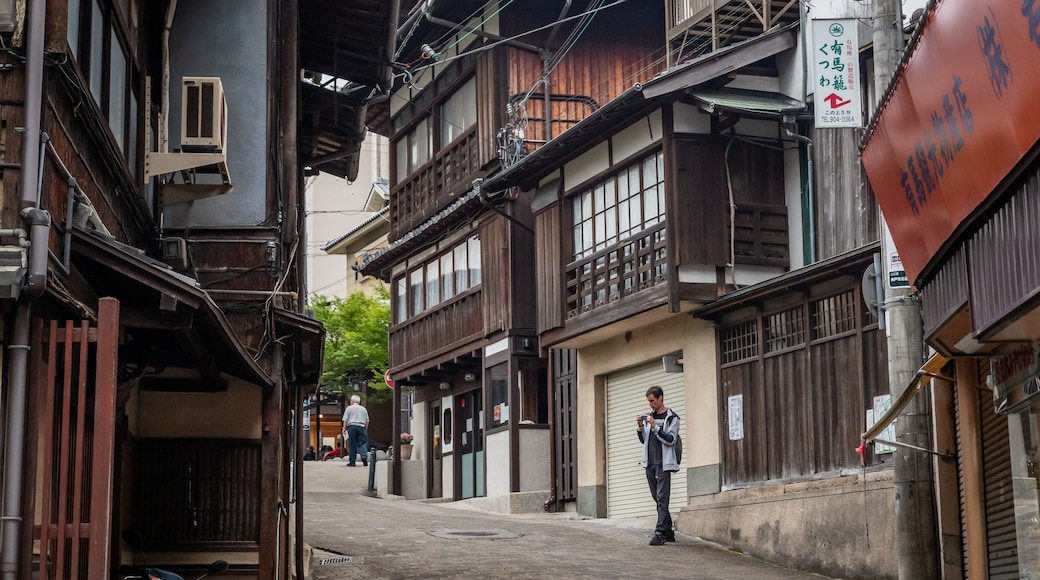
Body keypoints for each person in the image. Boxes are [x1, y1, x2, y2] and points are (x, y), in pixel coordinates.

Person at [636, 385, 680, 546]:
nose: (650, 404)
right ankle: (668, 531)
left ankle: (660, 532)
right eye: (648, 401)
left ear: (660, 398)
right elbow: (644, 441)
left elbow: (670, 439)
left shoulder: (672, 418)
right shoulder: (649, 417)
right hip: (650, 463)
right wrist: (641, 427)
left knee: (662, 498)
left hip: (664, 464)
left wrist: (655, 427)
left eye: (652, 400)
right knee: (657, 499)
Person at [341, 395, 370, 467]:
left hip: (352, 427)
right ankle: (364, 457)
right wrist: (365, 429)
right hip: (362, 427)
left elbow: (345, 419)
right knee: (362, 443)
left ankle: (352, 462)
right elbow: (367, 421)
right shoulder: (363, 409)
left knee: (352, 444)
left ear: (352, 401)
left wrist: (344, 428)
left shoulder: (349, 408)